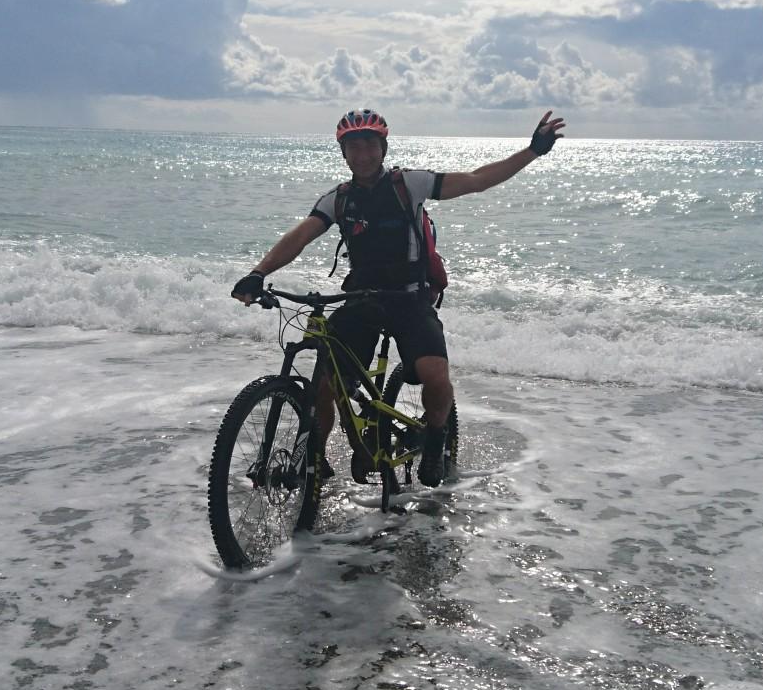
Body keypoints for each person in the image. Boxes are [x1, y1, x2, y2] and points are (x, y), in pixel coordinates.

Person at [232, 107, 567, 486]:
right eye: (354, 148)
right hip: (361, 302)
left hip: (410, 301)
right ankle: (314, 461)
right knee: (325, 383)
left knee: (435, 377)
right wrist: (259, 273)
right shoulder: (338, 200)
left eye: (369, 145)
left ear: (383, 148)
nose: (363, 155)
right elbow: (299, 236)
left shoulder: (409, 185)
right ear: (344, 153)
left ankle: (436, 438)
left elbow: (477, 180)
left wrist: (532, 151)